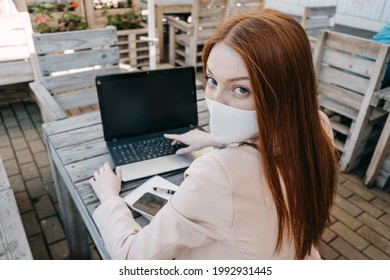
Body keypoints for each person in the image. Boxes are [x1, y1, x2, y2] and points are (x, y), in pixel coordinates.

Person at [90, 8, 339, 260]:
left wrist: (110, 198)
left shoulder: (217, 174)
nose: (216, 102)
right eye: (211, 80)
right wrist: (212, 138)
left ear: (283, 93)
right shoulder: (317, 127)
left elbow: (131, 257)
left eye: (241, 89)